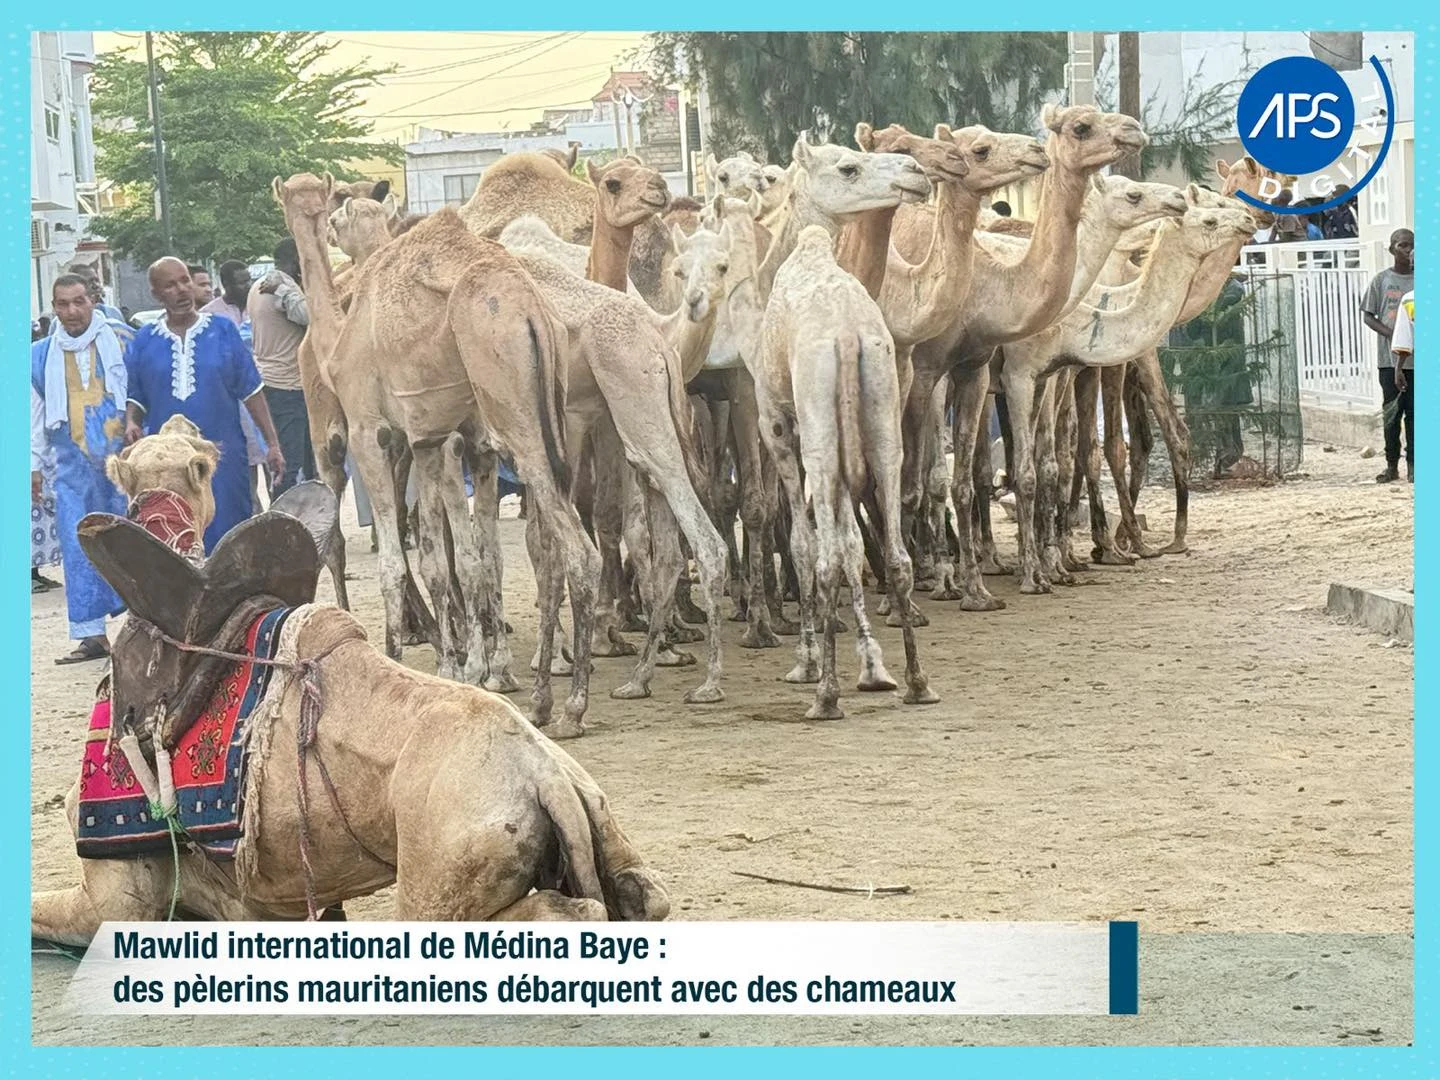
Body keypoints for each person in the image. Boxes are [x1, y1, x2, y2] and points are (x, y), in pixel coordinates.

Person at [123, 257, 284, 551]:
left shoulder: (222, 331)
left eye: (185, 281)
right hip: (167, 468)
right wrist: (132, 420)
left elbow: (252, 391)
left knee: (229, 534)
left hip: (221, 458)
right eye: (170, 285)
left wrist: (272, 443)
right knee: (175, 537)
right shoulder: (145, 340)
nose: (182, 290)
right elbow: (136, 395)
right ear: (156, 293)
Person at [30, 274, 133, 663]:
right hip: (70, 466)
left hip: (123, 465)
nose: (72, 312)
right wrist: (34, 467)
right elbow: (35, 415)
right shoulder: (39, 355)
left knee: (132, 541)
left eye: (79, 302)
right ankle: (91, 636)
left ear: (94, 300)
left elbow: (138, 395)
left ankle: (144, 626)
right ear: (54, 307)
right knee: (79, 544)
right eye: (63, 304)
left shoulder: (123, 340)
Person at [248, 237, 315, 497]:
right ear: (296, 260)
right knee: (291, 463)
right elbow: (311, 316)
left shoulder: (258, 284)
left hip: (272, 383)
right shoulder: (280, 287)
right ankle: (279, 524)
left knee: (296, 460)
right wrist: (288, 290)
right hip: (288, 386)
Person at [202, 260, 270, 513]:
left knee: (277, 469)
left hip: (269, 396)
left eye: (248, 280)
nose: (247, 285)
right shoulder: (210, 316)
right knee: (246, 474)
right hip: (237, 404)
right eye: (241, 282)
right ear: (226, 284)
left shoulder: (261, 305)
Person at [1362, 229, 1415, 483]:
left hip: (1418, 361)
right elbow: (1368, 315)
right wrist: (1393, 334)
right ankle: (1391, 464)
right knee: (1392, 414)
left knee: (1416, 415)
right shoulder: (1381, 280)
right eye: (1402, 245)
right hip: (1389, 360)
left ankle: (1415, 465)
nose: (1407, 250)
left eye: (1411, 246)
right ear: (1392, 249)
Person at [1388, 287, 1414, 483]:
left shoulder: (1410, 299)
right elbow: (1404, 339)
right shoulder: (1409, 300)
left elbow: (1404, 340)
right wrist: (1398, 369)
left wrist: (1398, 369)